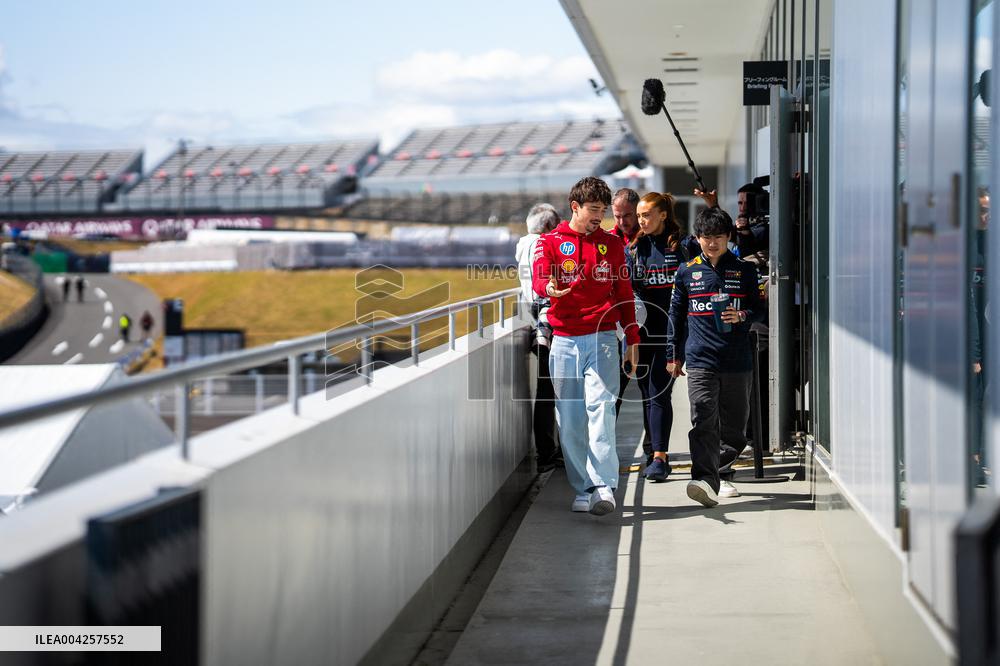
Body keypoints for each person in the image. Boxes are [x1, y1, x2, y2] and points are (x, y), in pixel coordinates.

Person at [532, 176, 640, 516]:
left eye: (603, 210)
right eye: (594, 210)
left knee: (602, 409)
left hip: (604, 337)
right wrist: (549, 288)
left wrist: (633, 339)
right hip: (563, 341)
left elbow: (623, 294)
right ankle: (583, 487)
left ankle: (602, 486)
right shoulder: (549, 242)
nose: (600, 217)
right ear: (575, 206)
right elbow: (539, 278)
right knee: (571, 418)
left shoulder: (613, 244)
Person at [667, 206, 764, 507]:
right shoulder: (686, 271)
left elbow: (760, 309)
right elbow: (676, 315)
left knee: (735, 427)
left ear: (729, 237)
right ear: (697, 238)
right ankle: (705, 480)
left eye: (718, 237)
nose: (712, 243)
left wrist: (743, 314)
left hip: (737, 360)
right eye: (706, 237)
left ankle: (720, 470)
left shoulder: (746, 270)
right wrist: (674, 354)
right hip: (700, 360)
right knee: (703, 418)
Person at [630, 193, 688, 482]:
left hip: (672, 333)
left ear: (663, 214)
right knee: (648, 394)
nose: (642, 220)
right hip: (642, 334)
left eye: (647, 214)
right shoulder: (635, 248)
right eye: (639, 215)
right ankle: (653, 451)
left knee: (658, 392)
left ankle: (660, 458)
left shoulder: (682, 246)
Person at [515, 203, 563, 472]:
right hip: (547, 324)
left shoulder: (524, 245)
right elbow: (542, 291)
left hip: (535, 324)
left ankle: (549, 451)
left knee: (547, 389)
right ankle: (549, 452)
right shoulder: (541, 246)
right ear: (547, 227)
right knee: (552, 389)